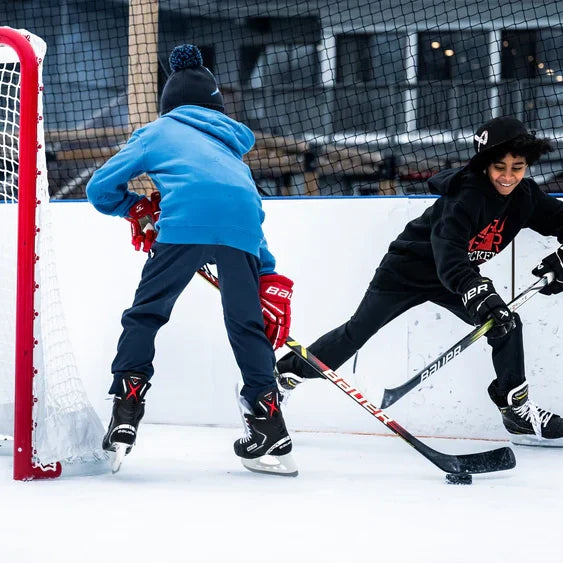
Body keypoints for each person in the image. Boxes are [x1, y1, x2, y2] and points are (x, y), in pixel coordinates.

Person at [276, 116, 563, 446]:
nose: (508, 176)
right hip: (406, 272)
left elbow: (559, 220)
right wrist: (477, 292)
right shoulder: (466, 197)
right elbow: (450, 254)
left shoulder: (525, 195)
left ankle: (517, 411)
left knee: (506, 324)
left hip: (452, 279)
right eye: (500, 166)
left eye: (518, 167)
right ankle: (282, 379)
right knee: (355, 334)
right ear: (485, 164)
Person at [86, 44, 297, 475]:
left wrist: (136, 209)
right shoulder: (232, 147)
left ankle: (126, 410)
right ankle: (270, 423)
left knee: (145, 315)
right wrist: (268, 274)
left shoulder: (157, 132)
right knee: (246, 327)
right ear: (215, 104)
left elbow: (99, 188)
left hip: (183, 228)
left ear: (170, 104)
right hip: (242, 235)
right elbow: (247, 208)